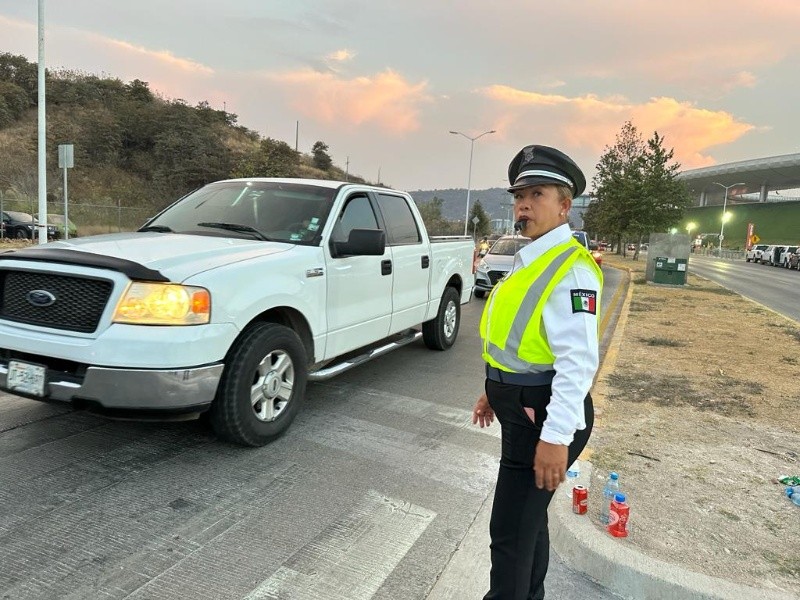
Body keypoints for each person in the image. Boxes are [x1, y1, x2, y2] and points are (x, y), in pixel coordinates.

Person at [472, 144, 603, 600]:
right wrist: (495, 389)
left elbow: (578, 364)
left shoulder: (571, 269)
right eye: (518, 195)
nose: (522, 205)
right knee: (528, 526)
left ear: (565, 206)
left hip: (544, 419)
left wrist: (555, 440)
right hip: (523, 409)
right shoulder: (531, 259)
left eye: (536, 194)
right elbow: (522, 342)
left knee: (508, 533)